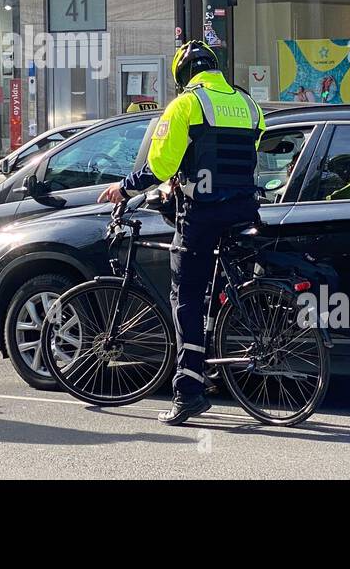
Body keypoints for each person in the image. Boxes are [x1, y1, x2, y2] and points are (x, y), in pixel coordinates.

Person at [98, 41, 265, 426]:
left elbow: (160, 164)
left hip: (202, 213)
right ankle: (223, 350)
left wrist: (125, 188)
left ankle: (188, 391)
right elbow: (249, 152)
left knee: (186, 296)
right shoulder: (247, 104)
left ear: (182, 75)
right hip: (243, 209)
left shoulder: (187, 104)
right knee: (218, 290)